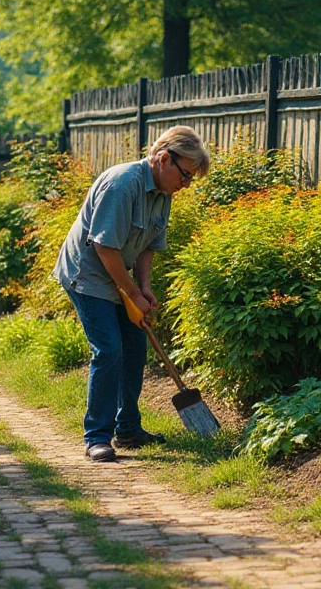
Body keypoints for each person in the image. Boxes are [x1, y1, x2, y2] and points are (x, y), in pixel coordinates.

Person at [53, 126, 210, 462]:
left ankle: (127, 429)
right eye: (185, 175)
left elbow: (148, 245)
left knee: (135, 349)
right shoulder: (123, 184)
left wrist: (145, 287)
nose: (186, 185)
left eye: (191, 180)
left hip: (118, 272)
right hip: (89, 273)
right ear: (164, 159)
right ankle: (97, 436)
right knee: (109, 350)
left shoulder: (164, 194)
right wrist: (132, 294)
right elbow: (104, 247)